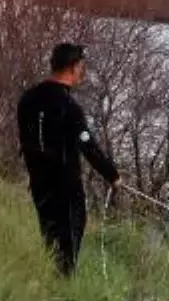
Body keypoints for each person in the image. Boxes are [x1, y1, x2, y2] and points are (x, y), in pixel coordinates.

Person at [16, 42, 120, 277]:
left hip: (39, 184)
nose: (82, 72)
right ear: (74, 67)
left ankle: (50, 284)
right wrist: (112, 175)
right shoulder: (69, 107)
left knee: (49, 238)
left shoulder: (27, 99)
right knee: (67, 248)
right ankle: (61, 292)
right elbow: (88, 146)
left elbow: (25, 140)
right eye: (82, 67)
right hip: (65, 190)